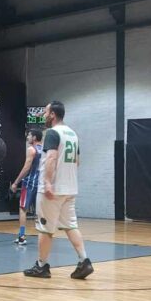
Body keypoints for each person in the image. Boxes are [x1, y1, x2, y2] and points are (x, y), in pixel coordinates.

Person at [24, 101, 93, 280]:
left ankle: (41, 266)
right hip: (70, 188)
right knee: (71, 225)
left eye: (46, 112)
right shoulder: (73, 134)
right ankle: (84, 260)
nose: (44, 115)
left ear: (53, 114)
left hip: (53, 189)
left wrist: (48, 182)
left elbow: (51, 158)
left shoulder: (52, 133)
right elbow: (77, 162)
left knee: (45, 229)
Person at [10, 129, 43, 246]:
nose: (27, 137)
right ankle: (44, 237)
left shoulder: (31, 149)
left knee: (23, 209)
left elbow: (26, 168)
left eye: (29, 135)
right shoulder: (44, 149)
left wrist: (15, 183)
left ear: (34, 137)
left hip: (29, 183)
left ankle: (22, 236)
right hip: (40, 183)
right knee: (40, 212)